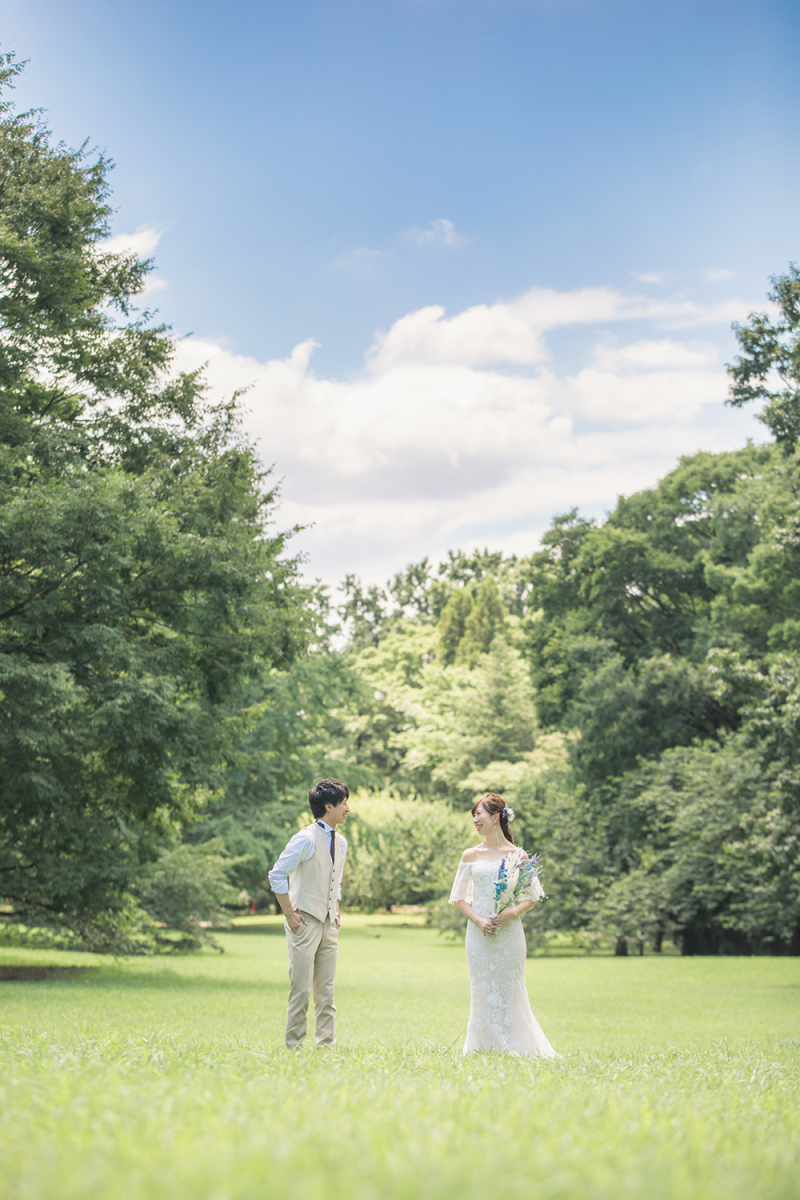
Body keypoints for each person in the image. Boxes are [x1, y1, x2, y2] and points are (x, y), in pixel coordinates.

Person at [449, 792, 558, 1058]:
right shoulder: (470, 854)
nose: (475, 820)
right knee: (482, 988)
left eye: (479, 814)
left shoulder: (517, 855)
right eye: (473, 815)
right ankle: (480, 1045)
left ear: (496, 817)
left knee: (511, 989)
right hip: (478, 934)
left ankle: (518, 1044)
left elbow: (532, 897)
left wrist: (510, 913)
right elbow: (458, 898)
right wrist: (478, 920)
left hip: (509, 934)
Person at [268, 778, 350, 1049]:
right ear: (329, 806)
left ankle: (327, 1047)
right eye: (344, 803)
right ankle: (294, 1047)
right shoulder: (305, 838)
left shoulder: (342, 843)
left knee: (326, 991)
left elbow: (335, 881)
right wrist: (290, 914)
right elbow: (278, 874)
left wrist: (335, 912)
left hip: (328, 923)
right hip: (303, 921)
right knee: (301, 990)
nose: (348, 808)